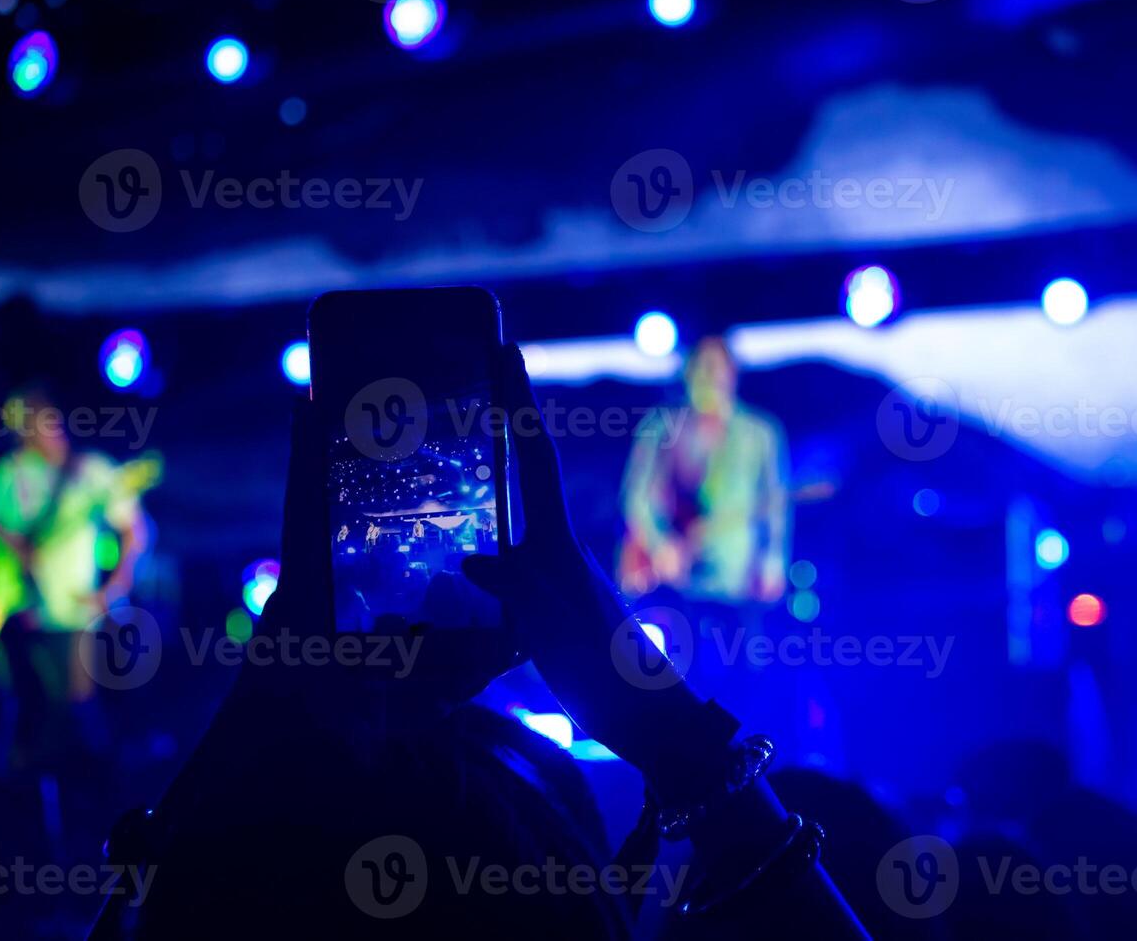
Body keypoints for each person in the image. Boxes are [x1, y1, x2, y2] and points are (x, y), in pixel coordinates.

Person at [100, 344, 864, 938]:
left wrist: (249, 707)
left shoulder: (758, 437)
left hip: (730, 588)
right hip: (679, 587)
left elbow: (769, 505)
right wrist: (676, 743)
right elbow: (640, 497)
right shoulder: (664, 432)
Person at [0, 387, 148, 774]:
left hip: (80, 611)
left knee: (78, 701)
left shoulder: (91, 470)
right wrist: (19, 552)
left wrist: (114, 587)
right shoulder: (11, 473)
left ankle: (94, 779)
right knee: (34, 704)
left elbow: (134, 531)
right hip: (27, 613)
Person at [620, 337, 790, 604]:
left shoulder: (761, 433)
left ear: (732, 374)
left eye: (715, 367)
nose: (708, 376)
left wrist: (773, 562)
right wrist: (660, 544)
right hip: (667, 579)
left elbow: (775, 504)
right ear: (687, 374)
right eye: (700, 367)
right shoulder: (661, 425)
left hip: (733, 575)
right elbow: (636, 495)